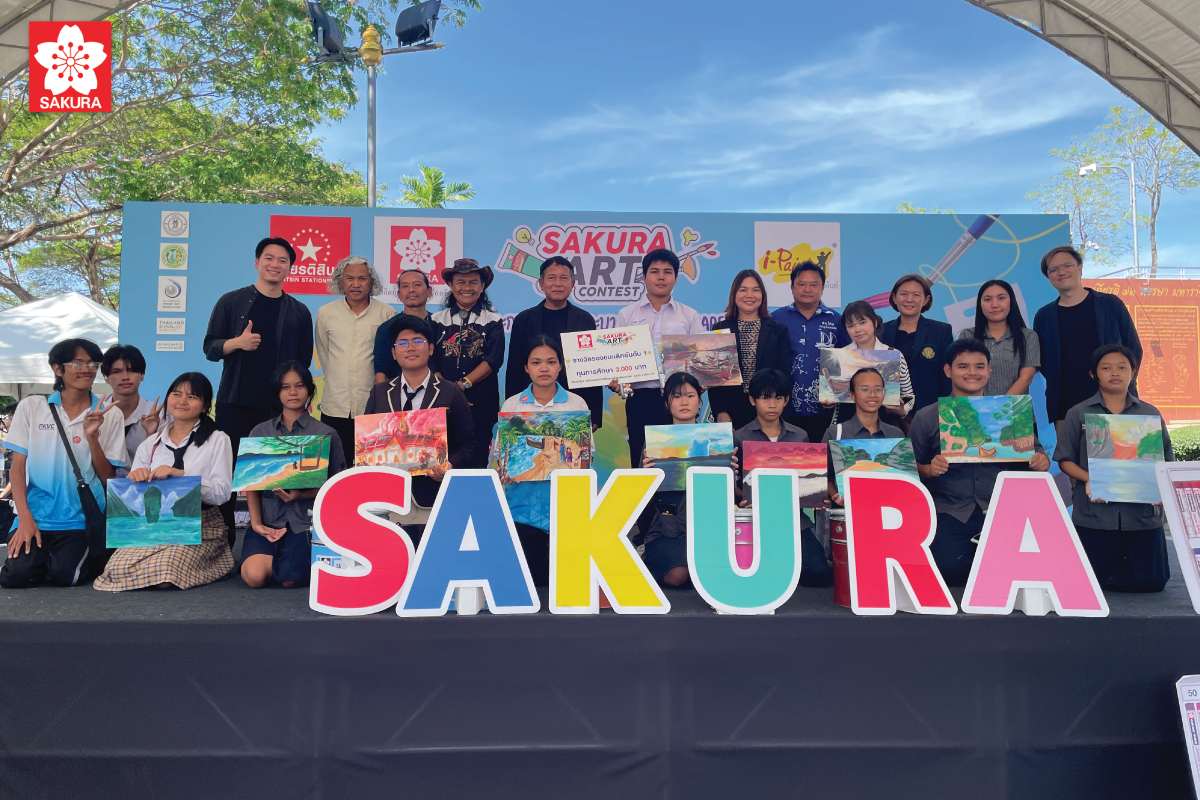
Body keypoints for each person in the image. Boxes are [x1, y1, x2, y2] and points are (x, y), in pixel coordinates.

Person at [909, 339, 1051, 586]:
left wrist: (1041, 461)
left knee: (1025, 569)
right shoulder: (927, 416)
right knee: (948, 570)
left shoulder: (1011, 412)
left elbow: (1038, 456)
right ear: (948, 371)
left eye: (979, 366)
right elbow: (909, 470)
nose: (972, 372)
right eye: (963, 366)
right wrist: (929, 470)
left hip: (1003, 509)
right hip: (951, 510)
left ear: (989, 371)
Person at [204, 236, 313, 539]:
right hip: (235, 404)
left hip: (278, 409)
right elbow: (210, 348)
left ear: (290, 268)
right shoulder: (231, 301)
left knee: (277, 477)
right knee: (229, 475)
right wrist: (237, 343)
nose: (275, 264)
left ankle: (277, 539)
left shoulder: (300, 312)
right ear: (257, 262)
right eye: (269, 258)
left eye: (282, 260)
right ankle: (223, 542)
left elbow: (302, 364)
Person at [0, 339, 125, 588]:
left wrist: (92, 437)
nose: (87, 369)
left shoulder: (110, 413)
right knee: (15, 578)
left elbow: (108, 478)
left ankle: (58, 560)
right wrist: (24, 518)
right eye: (77, 363)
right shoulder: (32, 407)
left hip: (82, 519)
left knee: (66, 576)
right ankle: (39, 560)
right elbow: (18, 467)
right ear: (57, 368)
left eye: (92, 364)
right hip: (36, 514)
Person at [94, 372, 234, 591]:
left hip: (200, 525)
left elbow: (222, 493)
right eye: (176, 394)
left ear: (206, 405)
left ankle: (212, 561)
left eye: (192, 396)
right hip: (155, 525)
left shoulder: (218, 439)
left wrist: (183, 477)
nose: (182, 401)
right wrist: (136, 478)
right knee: (114, 568)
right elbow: (136, 494)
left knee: (165, 573)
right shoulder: (151, 443)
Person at [1054, 345, 1172, 592]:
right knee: (1088, 583)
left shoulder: (1149, 413)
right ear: (1093, 374)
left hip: (1141, 514)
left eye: (1122, 367)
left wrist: (1161, 488)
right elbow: (1064, 459)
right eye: (1106, 368)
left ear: (1133, 372)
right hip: (1096, 514)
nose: (1114, 372)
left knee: (1152, 582)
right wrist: (1090, 479)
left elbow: (1166, 463)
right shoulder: (1078, 413)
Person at [365, 314, 477, 541]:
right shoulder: (379, 392)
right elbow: (366, 444)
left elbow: (469, 444)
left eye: (418, 341)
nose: (410, 348)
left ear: (431, 348)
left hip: (433, 497)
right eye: (402, 343)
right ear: (394, 353)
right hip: (389, 501)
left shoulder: (450, 392)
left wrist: (449, 465)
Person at [241, 362, 348, 589]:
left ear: (309, 390)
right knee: (254, 577)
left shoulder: (325, 433)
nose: (293, 392)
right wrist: (257, 524)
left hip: (305, 522)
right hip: (269, 520)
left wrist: (300, 495)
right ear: (277, 392)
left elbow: (336, 487)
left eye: (299, 386)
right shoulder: (260, 432)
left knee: (290, 580)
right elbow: (251, 486)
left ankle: (290, 563)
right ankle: (280, 562)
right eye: (285, 387)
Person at [496, 335, 592, 586]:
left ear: (560, 366)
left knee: (564, 579)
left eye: (551, 362)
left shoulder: (576, 403)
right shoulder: (512, 404)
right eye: (536, 362)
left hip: (566, 504)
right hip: (523, 506)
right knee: (532, 579)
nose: (544, 368)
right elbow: (500, 454)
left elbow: (587, 453)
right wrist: (503, 471)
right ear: (526, 368)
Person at [734, 368, 832, 587]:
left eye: (778, 398)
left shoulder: (800, 436)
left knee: (818, 572)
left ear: (786, 400)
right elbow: (734, 483)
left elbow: (806, 482)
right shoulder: (740, 437)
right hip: (754, 518)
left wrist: (815, 496)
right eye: (765, 398)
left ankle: (781, 564)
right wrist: (744, 498)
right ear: (752, 400)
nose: (772, 404)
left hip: (793, 519)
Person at [1032, 245, 1141, 436]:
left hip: (1115, 405)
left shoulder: (1110, 304)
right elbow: (1043, 362)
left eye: (1067, 265)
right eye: (1054, 269)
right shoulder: (1044, 316)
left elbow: (1133, 349)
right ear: (1048, 277)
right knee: (1070, 456)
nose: (1061, 272)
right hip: (1066, 409)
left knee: (1120, 455)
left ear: (1080, 268)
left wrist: (1119, 383)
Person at [611, 249, 705, 467]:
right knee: (642, 459)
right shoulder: (627, 314)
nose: (661, 277)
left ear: (675, 278)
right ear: (644, 278)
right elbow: (618, 360)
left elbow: (700, 360)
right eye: (654, 272)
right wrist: (619, 384)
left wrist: (704, 379)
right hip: (640, 398)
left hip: (678, 397)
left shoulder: (689, 315)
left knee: (681, 457)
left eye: (667, 272)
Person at [640, 372, 736, 587]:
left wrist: (731, 473)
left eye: (690, 396)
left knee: (720, 573)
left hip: (709, 525)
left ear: (700, 402)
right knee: (678, 576)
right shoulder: (655, 443)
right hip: (667, 530)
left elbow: (731, 496)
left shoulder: (719, 440)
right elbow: (642, 502)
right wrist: (646, 478)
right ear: (667, 404)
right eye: (676, 396)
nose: (684, 402)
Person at [504, 256, 604, 429]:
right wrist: (512, 415)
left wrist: (594, 413)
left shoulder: (585, 319)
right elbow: (514, 368)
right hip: (531, 408)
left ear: (573, 284)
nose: (558, 283)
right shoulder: (524, 319)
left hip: (573, 409)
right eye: (551, 278)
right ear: (541, 284)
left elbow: (592, 368)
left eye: (564, 278)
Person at [315, 255, 395, 467]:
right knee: (334, 467)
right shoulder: (326, 313)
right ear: (341, 281)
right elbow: (324, 355)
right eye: (350, 278)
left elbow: (389, 360)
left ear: (371, 282)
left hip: (372, 406)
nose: (356, 284)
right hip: (334, 405)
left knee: (371, 468)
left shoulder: (386, 313)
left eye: (362, 278)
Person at [430, 259, 504, 469]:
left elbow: (493, 360)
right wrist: (448, 392)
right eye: (461, 282)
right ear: (450, 285)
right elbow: (430, 359)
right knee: (443, 463)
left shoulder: (493, 320)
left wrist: (462, 385)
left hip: (481, 405)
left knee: (478, 463)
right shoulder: (435, 320)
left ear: (482, 286)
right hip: (442, 404)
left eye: (473, 282)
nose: (467, 287)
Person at [771, 260, 851, 443]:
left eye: (814, 284)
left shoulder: (837, 321)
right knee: (785, 457)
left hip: (824, 410)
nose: (807, 289)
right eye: (801, 284)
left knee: (820, 459)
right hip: (783, 407)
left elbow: (847, 361)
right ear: (792, 287)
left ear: (823, 288)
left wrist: (837, 393)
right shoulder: (775, 319)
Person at [710, 270, 792, 431]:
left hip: (768, 407)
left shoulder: (778, 330)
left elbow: (784, 373)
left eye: (755, 290)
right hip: (731, 411)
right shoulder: (721, 329)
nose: (750, 295)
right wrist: (721, 411)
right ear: (734, 294)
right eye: (743, 290)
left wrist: (775, 405)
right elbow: (714, 377)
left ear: (762, 295)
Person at [822, 368, 906, 506]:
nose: (872, 395)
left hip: (888, 511)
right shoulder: (835, 433)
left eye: (878, 389)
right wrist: (836, 496)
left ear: (884, 394)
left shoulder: (896, 434)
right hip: (847, 513)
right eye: (865, 390)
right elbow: (825, 477)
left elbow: (903, 480)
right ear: (852, 395)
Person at [827, 300, 914, 428]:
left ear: (875, 322)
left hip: (885, 426)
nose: (857, 329)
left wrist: (902, 410)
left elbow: (909, 396)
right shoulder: (838, 356)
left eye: (862, 322)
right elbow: (831, 398)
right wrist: (826, 399)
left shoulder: (893, 354)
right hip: (845, 425)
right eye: (851, 325)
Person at [879, 273, 953, 412]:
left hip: (930, 409)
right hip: (888, 410)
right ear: (894, 298)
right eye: (904, 294)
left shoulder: (941, 331)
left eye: (916, 295)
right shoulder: (881, 331)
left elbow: (947, 377)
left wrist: (947, 411)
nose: (909, 299)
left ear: (926, 300)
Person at [957, 279, 1041, 396]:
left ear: (1011, 301)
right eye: (987, 299)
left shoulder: (1028, 336)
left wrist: (1001, 405)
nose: (994, 305)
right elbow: (961, 376)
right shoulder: (967, 336)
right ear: (980, 304)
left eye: (1001, 298)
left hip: (1014, 406)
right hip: (976, 406)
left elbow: (1026, 378)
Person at [100, 343, 162, 473]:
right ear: (106, 377)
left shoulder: (159, 415)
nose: (125, 377)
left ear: (142, 375)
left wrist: (151, 435)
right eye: (116, 372)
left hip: (144, 483)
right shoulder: (94, 412)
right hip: (102, 483)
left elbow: (165, 460)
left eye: (132, 370)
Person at [374, 269, 433, 384]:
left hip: (438, 391)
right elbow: (382, 371)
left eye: (417, 285)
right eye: (405, 286)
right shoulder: (387, 328)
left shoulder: (439, 325)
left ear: (429, 291)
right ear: (399, 295)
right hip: (399, 393)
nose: (411, 290)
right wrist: (382, 395)